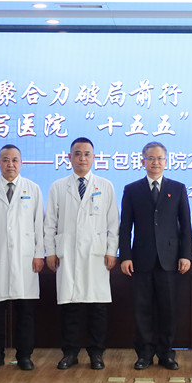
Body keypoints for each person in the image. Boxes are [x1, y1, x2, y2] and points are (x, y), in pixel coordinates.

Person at [44, 137, 119, 371]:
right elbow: (50, 223)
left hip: (97, 255)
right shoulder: (58, 186)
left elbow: (113, 223)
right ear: (69, 158)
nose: (82, 158)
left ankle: (96, 354)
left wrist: (112, 251)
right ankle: (70, 353)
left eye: (87, 154)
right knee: (70, 307)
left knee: (97, 308)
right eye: (77, 154)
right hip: (67, 254)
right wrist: (50, 251)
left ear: (94, 158)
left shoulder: (105, 185)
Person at [119, 141, 192, 370]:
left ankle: (166, 354)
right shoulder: (132, 189)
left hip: (169, 260)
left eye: (159, 158)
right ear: (143, 161)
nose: (155, 162)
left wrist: (186, 255)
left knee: (168, 310)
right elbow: (125, 226)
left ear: (166, 161)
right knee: (142, 310)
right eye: (150, 158)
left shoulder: (178, 188)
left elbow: (186, 225)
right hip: (140, 259)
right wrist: (125, 256)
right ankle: (144, 354)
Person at [0, 144, 44, 371]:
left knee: (25, 312)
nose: (10, 164)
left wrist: (39, 254)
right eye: (5, 159)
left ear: (21, 163)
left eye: (14, 160)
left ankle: (25, 356)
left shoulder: (33, 189)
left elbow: (39, 226)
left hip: (25, 259)